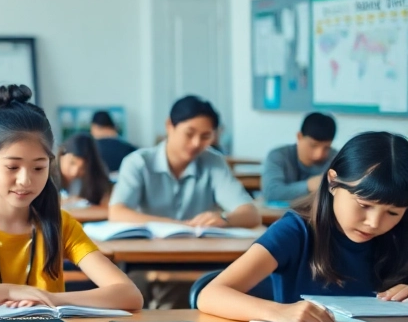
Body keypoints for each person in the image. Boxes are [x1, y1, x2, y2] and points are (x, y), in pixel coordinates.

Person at [0, 86, 142, 313]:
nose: (25, 180)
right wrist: (10, 291)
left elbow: (129, 294)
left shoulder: (61, 225)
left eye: (38, 167)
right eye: (12, 167)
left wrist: (52, 299)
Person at [198, 131, 408, 322]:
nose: (374, 223)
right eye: (364, 205)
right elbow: (210, 295)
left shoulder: (401, 234)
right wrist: (278, 312)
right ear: (333, 182)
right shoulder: (297, 231)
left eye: (393, 213)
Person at [108, 96, 259, 228]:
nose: (196, 143)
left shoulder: (214, 161)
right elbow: (117, 212)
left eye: (205, 136)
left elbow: (251, 214)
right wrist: (176, 225)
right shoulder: (138, 162)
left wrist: (224, 219)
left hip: (201, 248)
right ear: (169, 125)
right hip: (148, 247)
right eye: (189, 134)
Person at [261, 112, 338, 204]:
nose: (319, 155)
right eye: (313, 145)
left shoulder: (336, 158)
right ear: (299, 136)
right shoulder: (278, 156)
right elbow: (271, 193)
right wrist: (309, 185)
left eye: (326, 148)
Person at [57, 133, 113, 207]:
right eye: (72, 163)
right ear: (61, 156)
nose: (75, 172)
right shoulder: (46, 176)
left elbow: (106, 207)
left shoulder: (97, 182)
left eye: (82, 168)